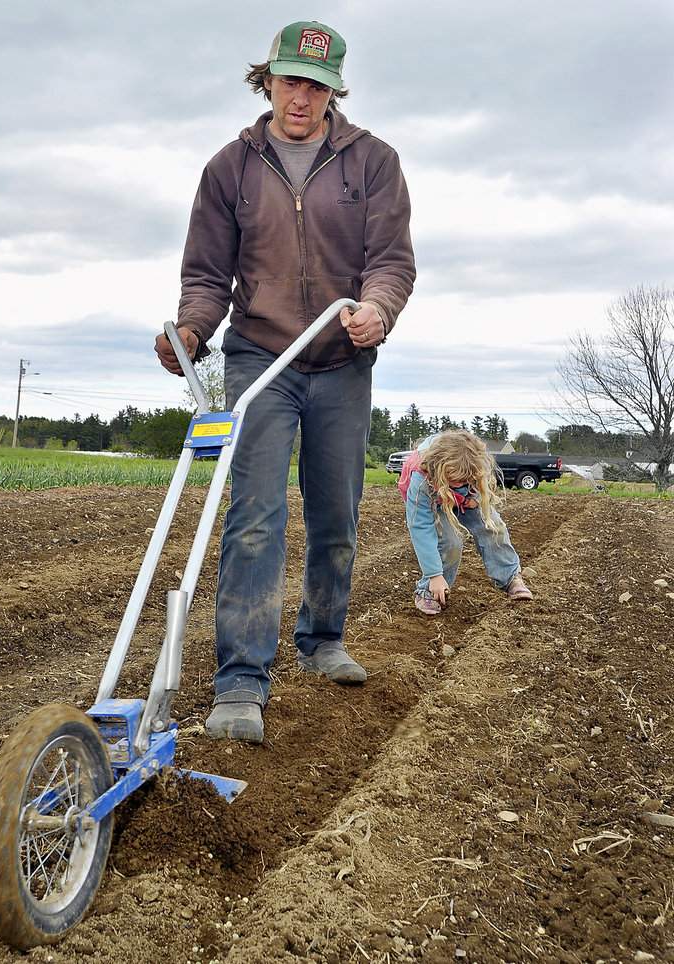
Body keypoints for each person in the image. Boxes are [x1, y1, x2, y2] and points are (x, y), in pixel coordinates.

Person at [154, 21, 416, 742]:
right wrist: (191, 331)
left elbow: (392, 261)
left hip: (341, 361)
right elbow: (207, 274)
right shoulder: (229, 168)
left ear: (334, 89)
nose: (299, 97)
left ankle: (323, 637)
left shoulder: (373, 163)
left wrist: (378, 310)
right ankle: (240, 680)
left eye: (315, 85)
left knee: (336, 516)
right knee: (254, 519)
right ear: (266, 78)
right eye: (288, 80)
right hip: (258, 360)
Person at [399, 430, 533, 614]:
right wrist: (434, 574)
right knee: (450, 542)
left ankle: (510, 578)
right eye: (454, 480)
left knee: (493, 527)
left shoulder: (476, 459)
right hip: (433, 499)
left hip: (465, 498)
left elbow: (482, 481)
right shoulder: (420, 478)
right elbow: (421, 527)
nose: (458, 484)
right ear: (440, 469)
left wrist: (476, 496)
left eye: (464, 480)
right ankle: (429, 590)